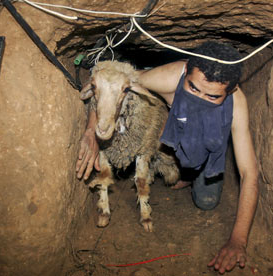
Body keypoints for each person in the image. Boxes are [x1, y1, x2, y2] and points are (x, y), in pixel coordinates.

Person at [76, 41, 258, 274]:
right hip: (176, 136)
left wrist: (238, 241)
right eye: (193, 88)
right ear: (185, 73)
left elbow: (249, 173)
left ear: (230, 91)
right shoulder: (166, 77)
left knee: (207, 202)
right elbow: (108, 84)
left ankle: (195, 175)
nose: (200, 99)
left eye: (212, 97)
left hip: (210, 149)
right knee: (165, 141)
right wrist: (91, 129)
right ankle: (182, 164)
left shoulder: (236, 105)